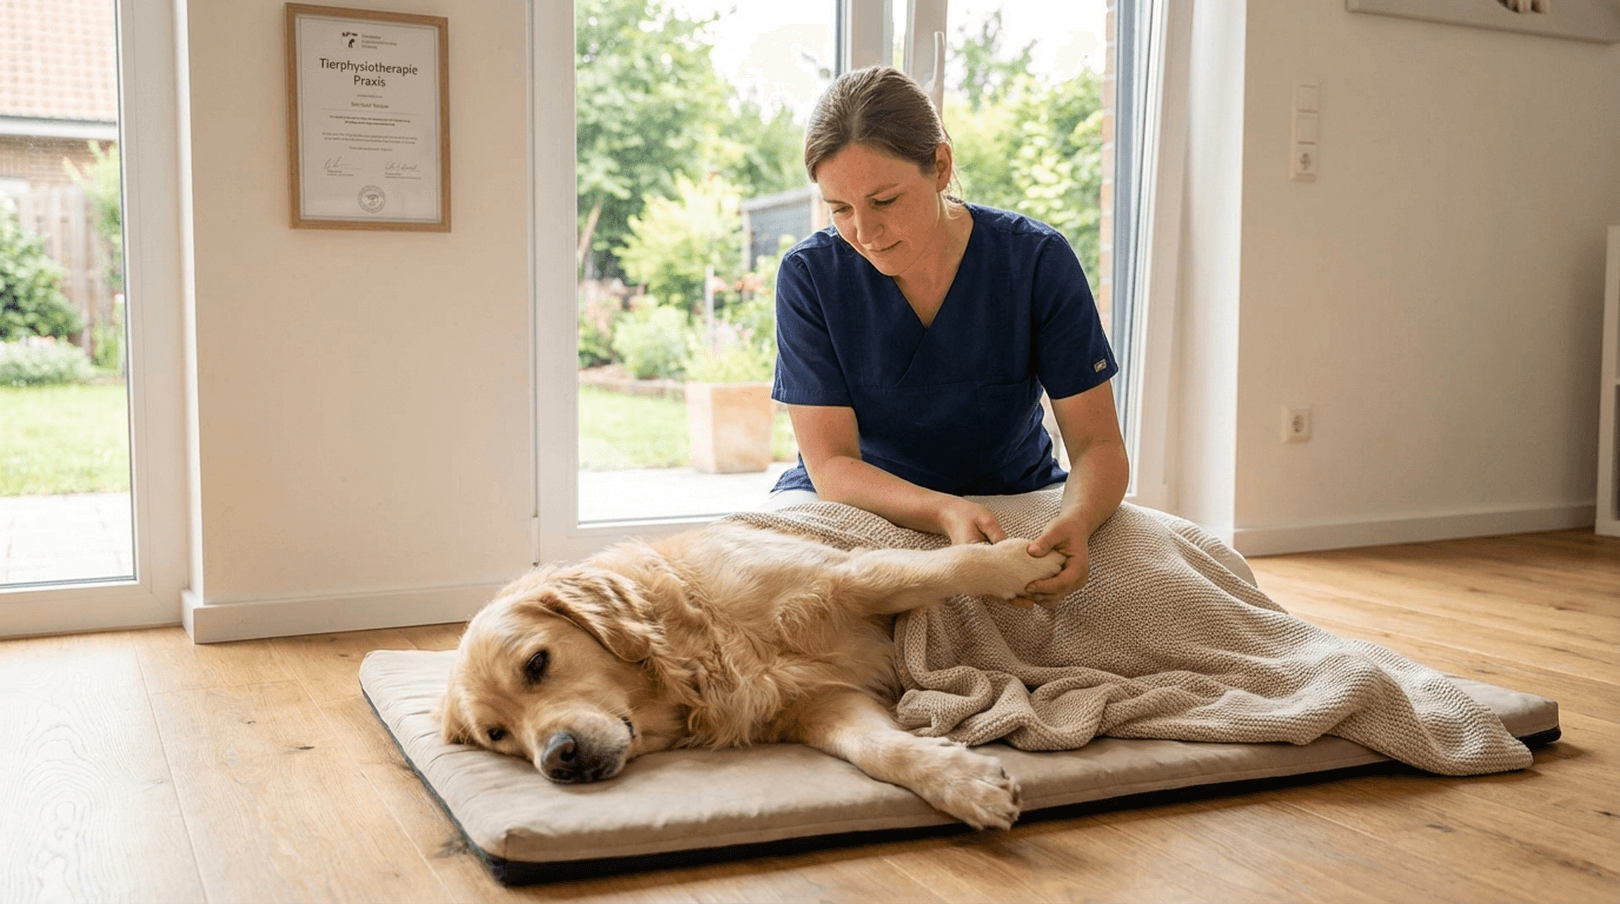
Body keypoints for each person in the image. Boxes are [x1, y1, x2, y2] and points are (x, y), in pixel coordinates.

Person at [769, 66, 1130, 606]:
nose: (864, 234)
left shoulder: (1036, 261)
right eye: (840, 209)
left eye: (885, 200)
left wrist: (1076, 522)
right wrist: (945, 512)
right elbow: (831, 467)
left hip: (1018, 501)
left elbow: (1099, 445)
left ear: (940, 166)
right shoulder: (810, 277)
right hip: (858, 506)